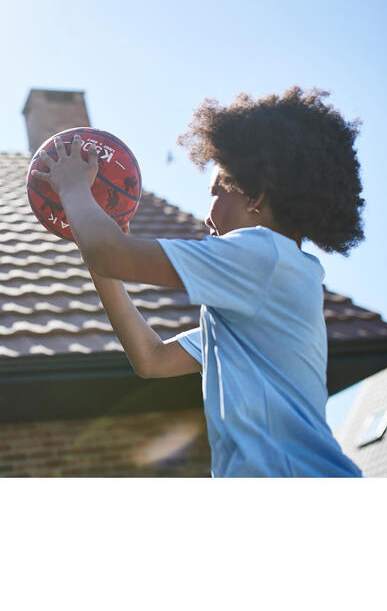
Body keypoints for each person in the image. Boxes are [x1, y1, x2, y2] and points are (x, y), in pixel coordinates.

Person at [31, 87, 363, 477]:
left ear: (255, 196)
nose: (208, 216)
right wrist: (98, 248)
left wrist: (73, 187)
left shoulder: (261, 256)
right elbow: (151, 359)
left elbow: (111, 252)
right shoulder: (253, 303)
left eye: (216, 193)